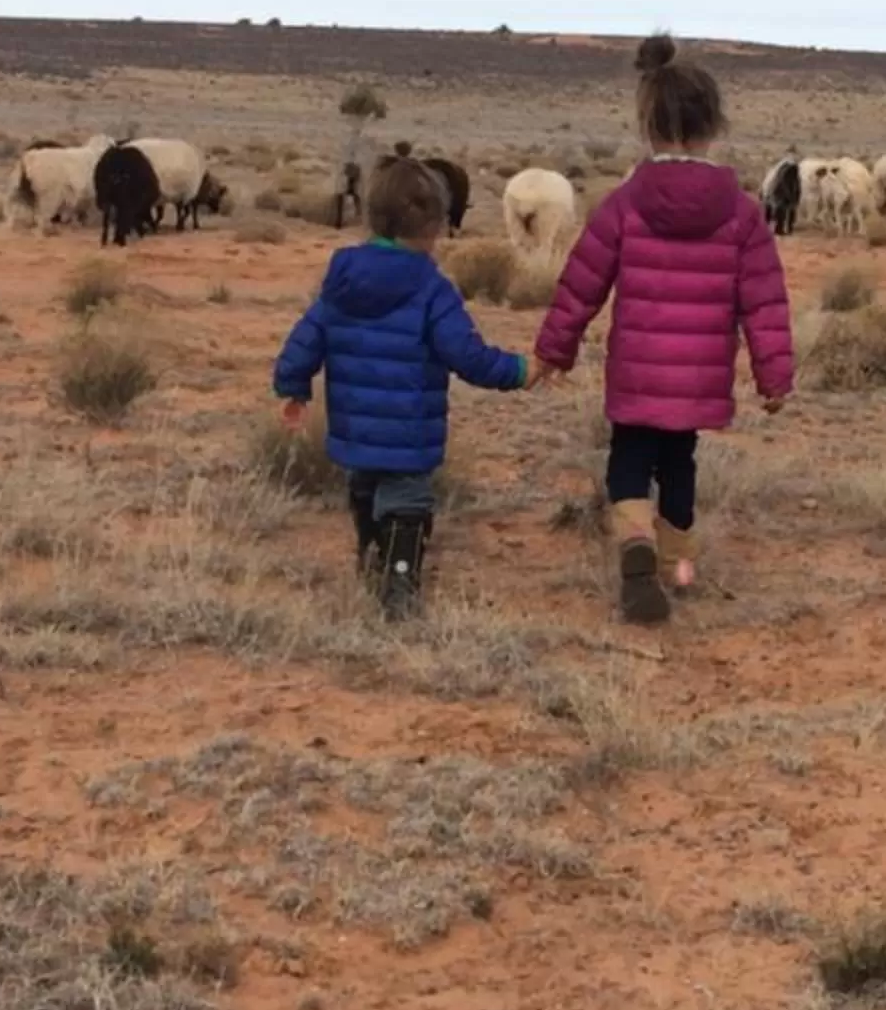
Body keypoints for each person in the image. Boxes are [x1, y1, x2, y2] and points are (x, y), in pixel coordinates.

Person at [534, 33, 794, 625]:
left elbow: (581, 284)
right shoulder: (741, 212)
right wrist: (774, 377)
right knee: (680, 462)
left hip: (637, 370)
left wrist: (554, 351)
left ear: (648, 125)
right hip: (698, 377)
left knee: (628, 460)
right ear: (714, 126)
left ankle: (635, 549)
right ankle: (678, 569)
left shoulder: (624, 203)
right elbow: (765, 301)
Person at [272, 152, 535, 615]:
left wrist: (292, 387)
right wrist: (517, 371)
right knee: (406, 499)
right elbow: (466, 355)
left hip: (354, 425)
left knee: (365, 488)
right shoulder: (433, 289)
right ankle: (399, 583)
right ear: (435, 225)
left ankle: (371, 556)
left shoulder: (341, 282)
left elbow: (304, 339)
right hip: (410, 428)